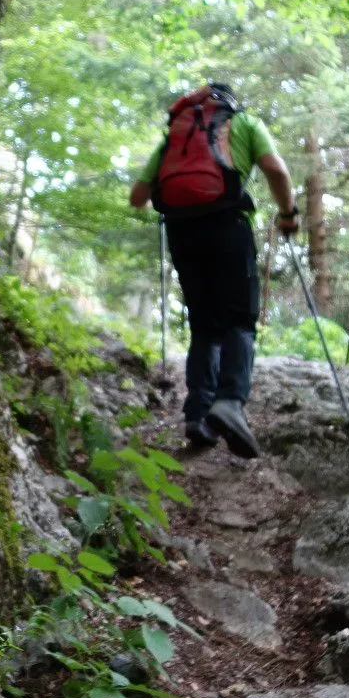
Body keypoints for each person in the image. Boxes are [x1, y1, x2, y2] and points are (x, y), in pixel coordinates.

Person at [128, 83, 298, 457]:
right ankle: (230, 402)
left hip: (182, 231)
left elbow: (137, 197)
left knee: (204, 326)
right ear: (231, 103)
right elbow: (275, 170)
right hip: (227, 224)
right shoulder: (245, 123)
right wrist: (288, 214)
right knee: (239, 320)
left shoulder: (174, 137)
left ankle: (197, 415)